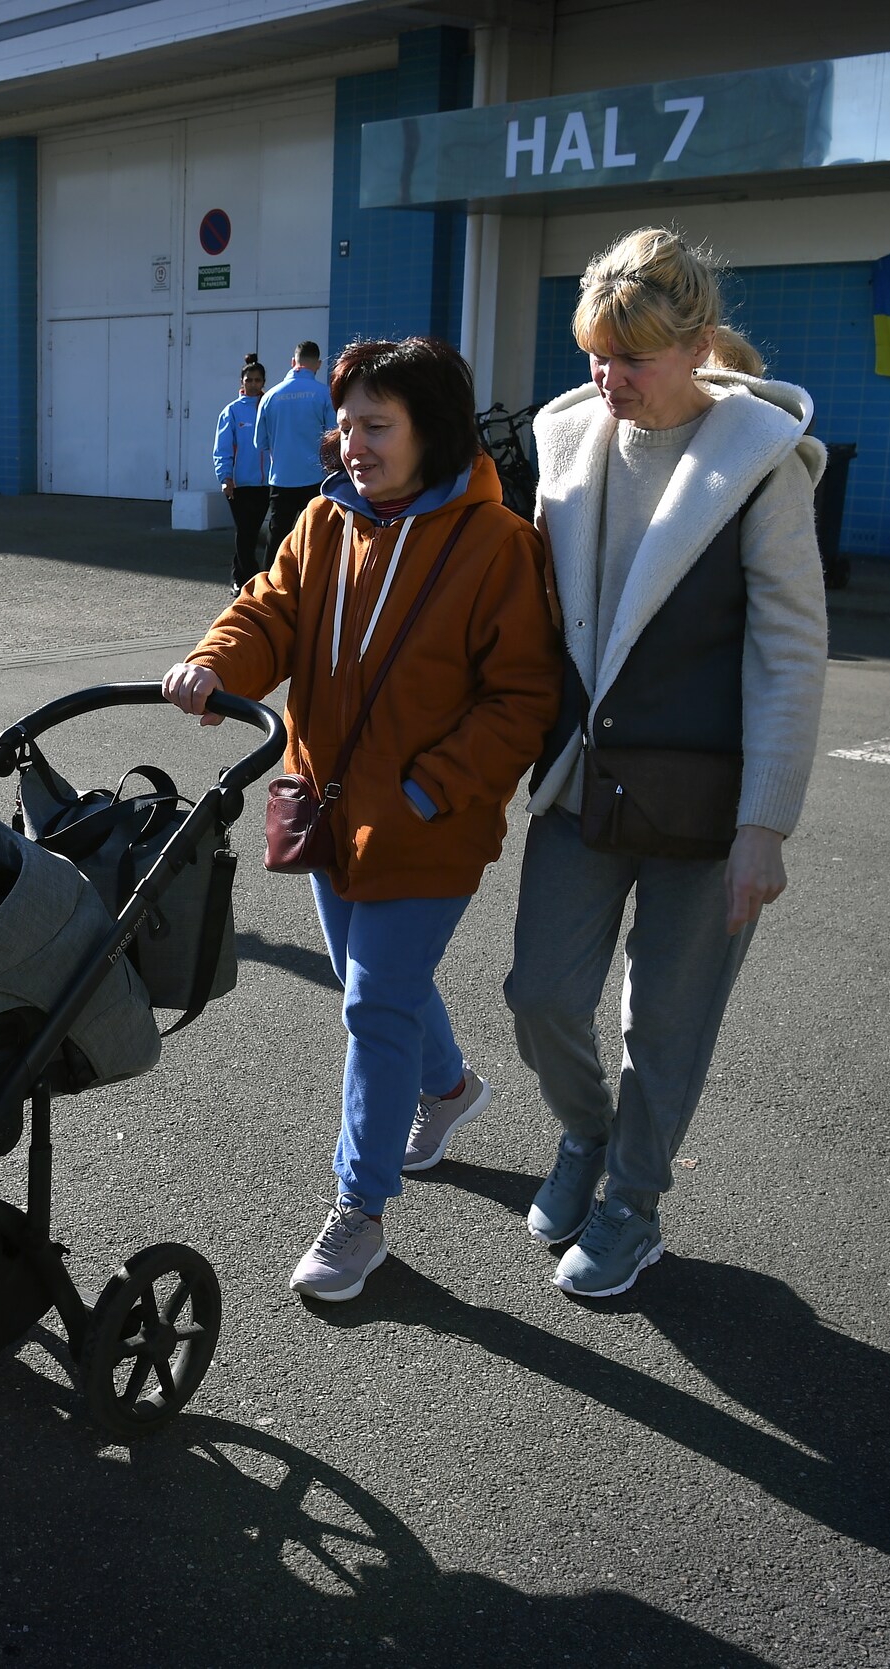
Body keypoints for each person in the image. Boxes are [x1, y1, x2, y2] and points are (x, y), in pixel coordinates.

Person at [164, 336, 558, 1302]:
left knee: (374, 1002)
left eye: (376, 426)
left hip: (428, 822)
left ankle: (360, 1211)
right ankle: (452, 1087)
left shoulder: (499, 545)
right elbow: (270, 610)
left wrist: (430, 788)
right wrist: (219, 661)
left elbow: (521, 699)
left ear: (434, 430)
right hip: (324, 801)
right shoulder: (324, 521)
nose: (352, 445)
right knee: (368, 977)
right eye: (346, 425)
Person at [502, 228, 827, 1299]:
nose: (608, 380)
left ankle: (632, 1203)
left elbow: (787, 652)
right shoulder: (567, 438)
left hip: (709, 796)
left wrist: (763, 827)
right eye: (596, 353)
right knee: (540, 993)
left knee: (668, 1022)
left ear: (692, 348)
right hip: (581, 780)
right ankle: (583, 1135)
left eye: (630, 358)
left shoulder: (758, 464)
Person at [256, 339, 336, 560]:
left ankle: (270, 586)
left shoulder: (270, 396)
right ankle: (310, 584)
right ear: (318, 364)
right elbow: (334, 436)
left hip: (281, 478)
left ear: (293, 361)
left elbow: (259, 443)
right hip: (315, 477)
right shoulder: (323, 394)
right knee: (315, 535)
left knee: (277, 534)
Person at [214, 354, 270, 585]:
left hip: (266, 483)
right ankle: (252, 580)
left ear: (263, 382)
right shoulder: (232, 411)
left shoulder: (270, 406)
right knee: (246, 532)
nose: (253, 384)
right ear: (241, 382)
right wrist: (225, 477)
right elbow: (223, 447)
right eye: (249, 380)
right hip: (239, 484)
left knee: (251, 532)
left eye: (257, 380)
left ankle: (237, 576)